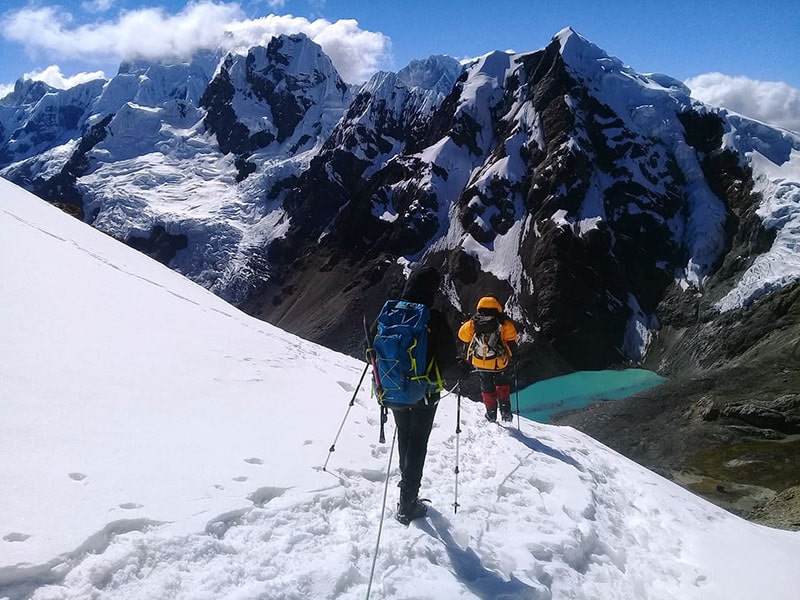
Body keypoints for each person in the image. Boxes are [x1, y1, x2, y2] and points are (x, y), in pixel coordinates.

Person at [376, 266, 459, 525]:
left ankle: (406, 490)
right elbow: (448, 362)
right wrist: (461, 371)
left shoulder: (390, 313)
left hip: (393, 391)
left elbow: (372, 349)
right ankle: (407, 502)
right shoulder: (431, 317)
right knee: (418, 442)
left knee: (405, 435)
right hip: (425, 394)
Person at [458, 296, 519, 422]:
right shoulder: (504, 323)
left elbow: (462, 336)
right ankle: (505, 411)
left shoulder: (474, 322)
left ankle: (491, 414)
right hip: (499, 363)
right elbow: (512, 342)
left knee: (486, 386)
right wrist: (514, 356)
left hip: (480, 362)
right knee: (502, 385)